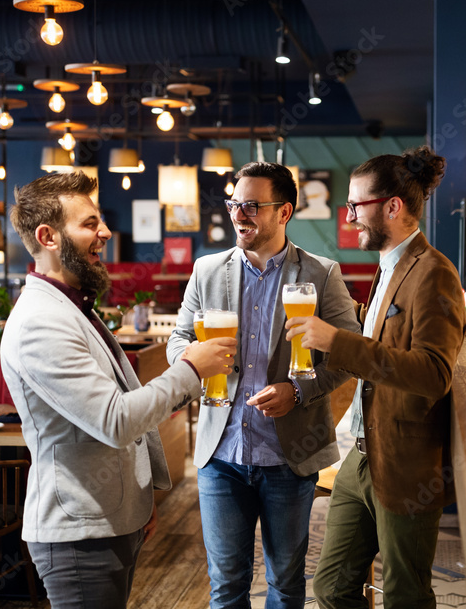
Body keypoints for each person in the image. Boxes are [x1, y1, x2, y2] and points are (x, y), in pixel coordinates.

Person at [1, 171, 236, 609]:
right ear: (48, 236)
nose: (105, 232)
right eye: (90, 223)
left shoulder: (70, 305)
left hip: (107, 519)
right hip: (78, 532)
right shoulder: (40, 321)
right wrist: (190, 367)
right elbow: (115, 421)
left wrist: (137, 502)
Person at [165, 162, 359, 608]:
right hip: (221, 454)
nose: (238, 214)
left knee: (286, 583)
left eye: (251, 205)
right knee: (226, 585)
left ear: (284, 211)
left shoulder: (321, 273)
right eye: (234, 203)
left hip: (289, 457)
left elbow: (350, 353)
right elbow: (179, 338)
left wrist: (300, 390)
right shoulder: (206, 270)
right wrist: (193, 364)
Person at [287, 146, 466, 608]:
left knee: (406, 596)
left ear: (392, 206)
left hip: (408, 464)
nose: (348, 217)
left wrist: (338, 341)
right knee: (331, 587)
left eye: (355, 205)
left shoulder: (434, 274)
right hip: (360, 457)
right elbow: (379, 355)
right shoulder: (389, 267)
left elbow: (433, 373)